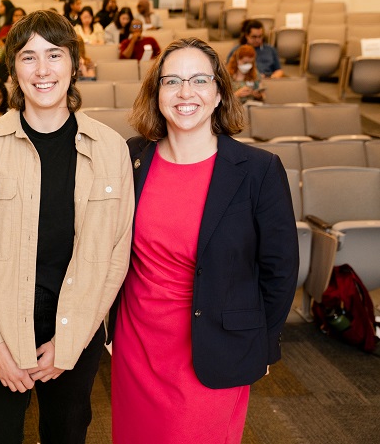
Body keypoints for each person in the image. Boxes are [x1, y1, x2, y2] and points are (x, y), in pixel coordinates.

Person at [0, 9, 133, 443]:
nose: (42, 70)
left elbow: (116, 256)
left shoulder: (110, 147)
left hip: (77, 325)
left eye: (54, 55)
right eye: (28, 57)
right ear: (13, 69)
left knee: (66, 434)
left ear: (74, 63)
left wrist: (70, 343)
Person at [111, 37, 299, 443]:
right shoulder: (132, 157)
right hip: (137, 344)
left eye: (199, 80)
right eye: (172, 81)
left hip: (216, 346)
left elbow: (280, 269)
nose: (185, 93)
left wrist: (264, 343)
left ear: (218, 93)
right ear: (156, 92)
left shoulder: (258, 170)